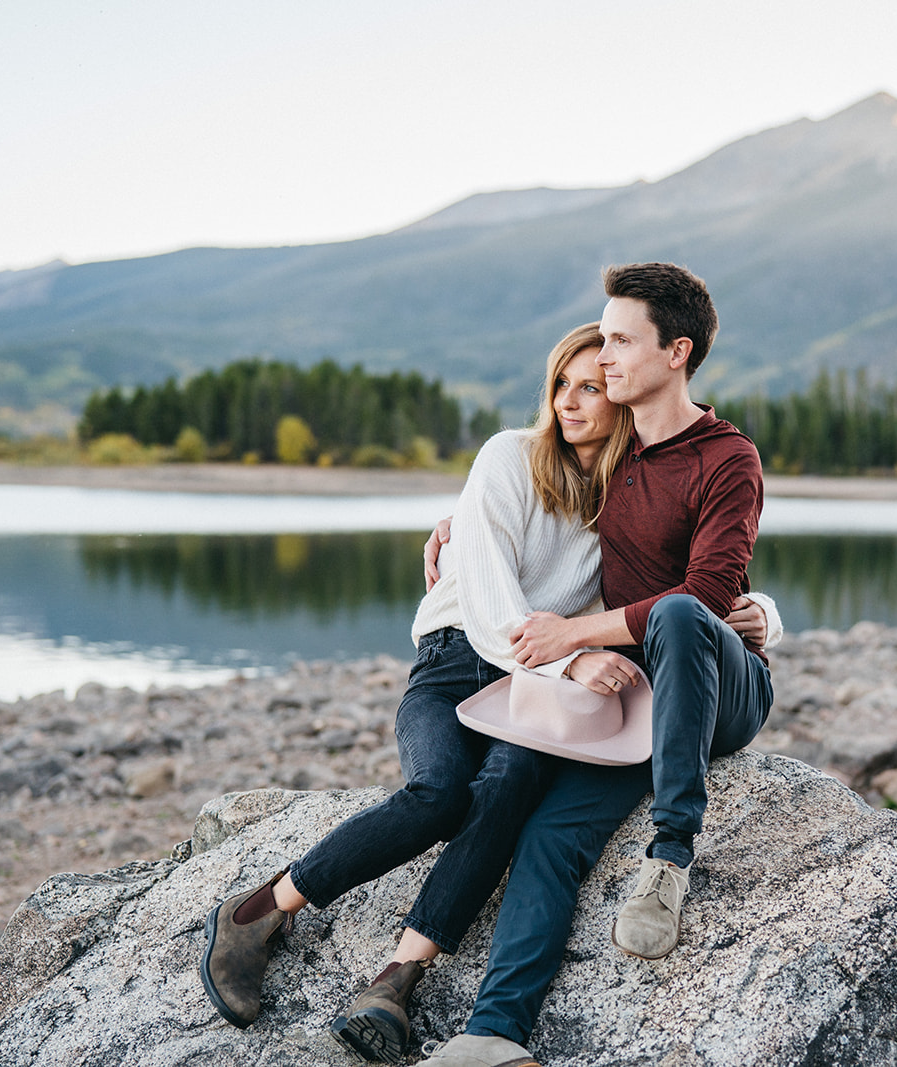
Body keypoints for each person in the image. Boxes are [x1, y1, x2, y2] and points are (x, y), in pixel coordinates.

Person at [197, 321, 778, 1063]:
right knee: (440, 793)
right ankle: (256, 912)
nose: (570, 402)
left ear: (629, 397)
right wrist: (563, 653)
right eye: (560, 386)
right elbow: (499, 614)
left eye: (591, 387)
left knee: (509, 785)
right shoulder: (509, 457)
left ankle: (396, 979)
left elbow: (698, 584)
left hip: (524, 687)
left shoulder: (625, 495)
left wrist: (767, 617)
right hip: (457, 663)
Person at [417, 263, 773, 1067]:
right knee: (548, 835)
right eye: (602, 339)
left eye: (620, 340)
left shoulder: (728, 457)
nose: (604, 356)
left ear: (676, 352)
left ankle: (671, 854)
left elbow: (711, 594)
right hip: (640, 697)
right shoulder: (609, 462)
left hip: (722, 687)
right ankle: (495, 1035)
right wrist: (460, 522)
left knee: (680, 613)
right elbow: (525, 499)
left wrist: (576, 633)